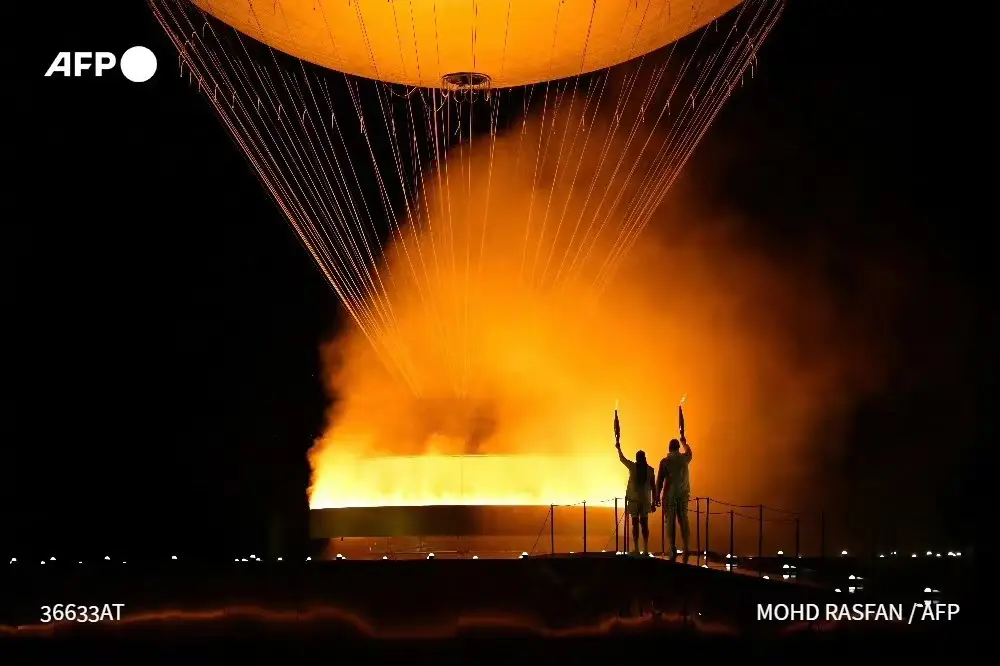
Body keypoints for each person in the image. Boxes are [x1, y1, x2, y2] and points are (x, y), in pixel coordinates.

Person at [656, 436, 693, 563]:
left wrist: (656, 496)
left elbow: (660, 481)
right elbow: (689, 452)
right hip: (683, 495)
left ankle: (672, 548)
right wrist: (684, 442)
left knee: (670, 522)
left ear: (669, 448)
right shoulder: (684, 459)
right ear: (678, 447)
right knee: (684, 520)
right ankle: (687, 547)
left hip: (669, 496)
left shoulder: (665, 461)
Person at [616, 441, 656, 555]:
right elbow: (653, 487)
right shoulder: (650, 470)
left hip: (634, 500)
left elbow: (622, 459)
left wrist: (618, 448)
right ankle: (645, 549)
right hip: (645, 500)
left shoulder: (633, 467)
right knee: (644, 524)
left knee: (636, 524)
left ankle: (638, 548)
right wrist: (654, 502)